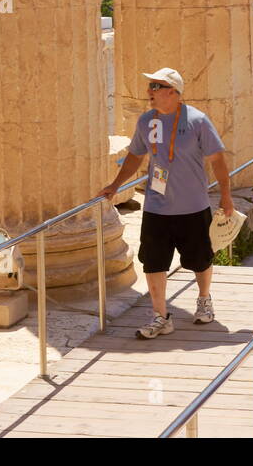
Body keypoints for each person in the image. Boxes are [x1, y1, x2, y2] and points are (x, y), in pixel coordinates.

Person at [99, 68, 234, 339]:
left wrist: (226, 196)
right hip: (156, 206)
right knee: (153, 262)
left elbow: (218, 159)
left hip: (193, 206)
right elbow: (136, 156)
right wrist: (115, 184)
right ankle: (160, 316)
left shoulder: (197, 120)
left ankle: (204, 298)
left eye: (156, 86)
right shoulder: (147, 121)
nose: (150, 91)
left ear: (173, 92)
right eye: (150, 86)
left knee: (199, 260)